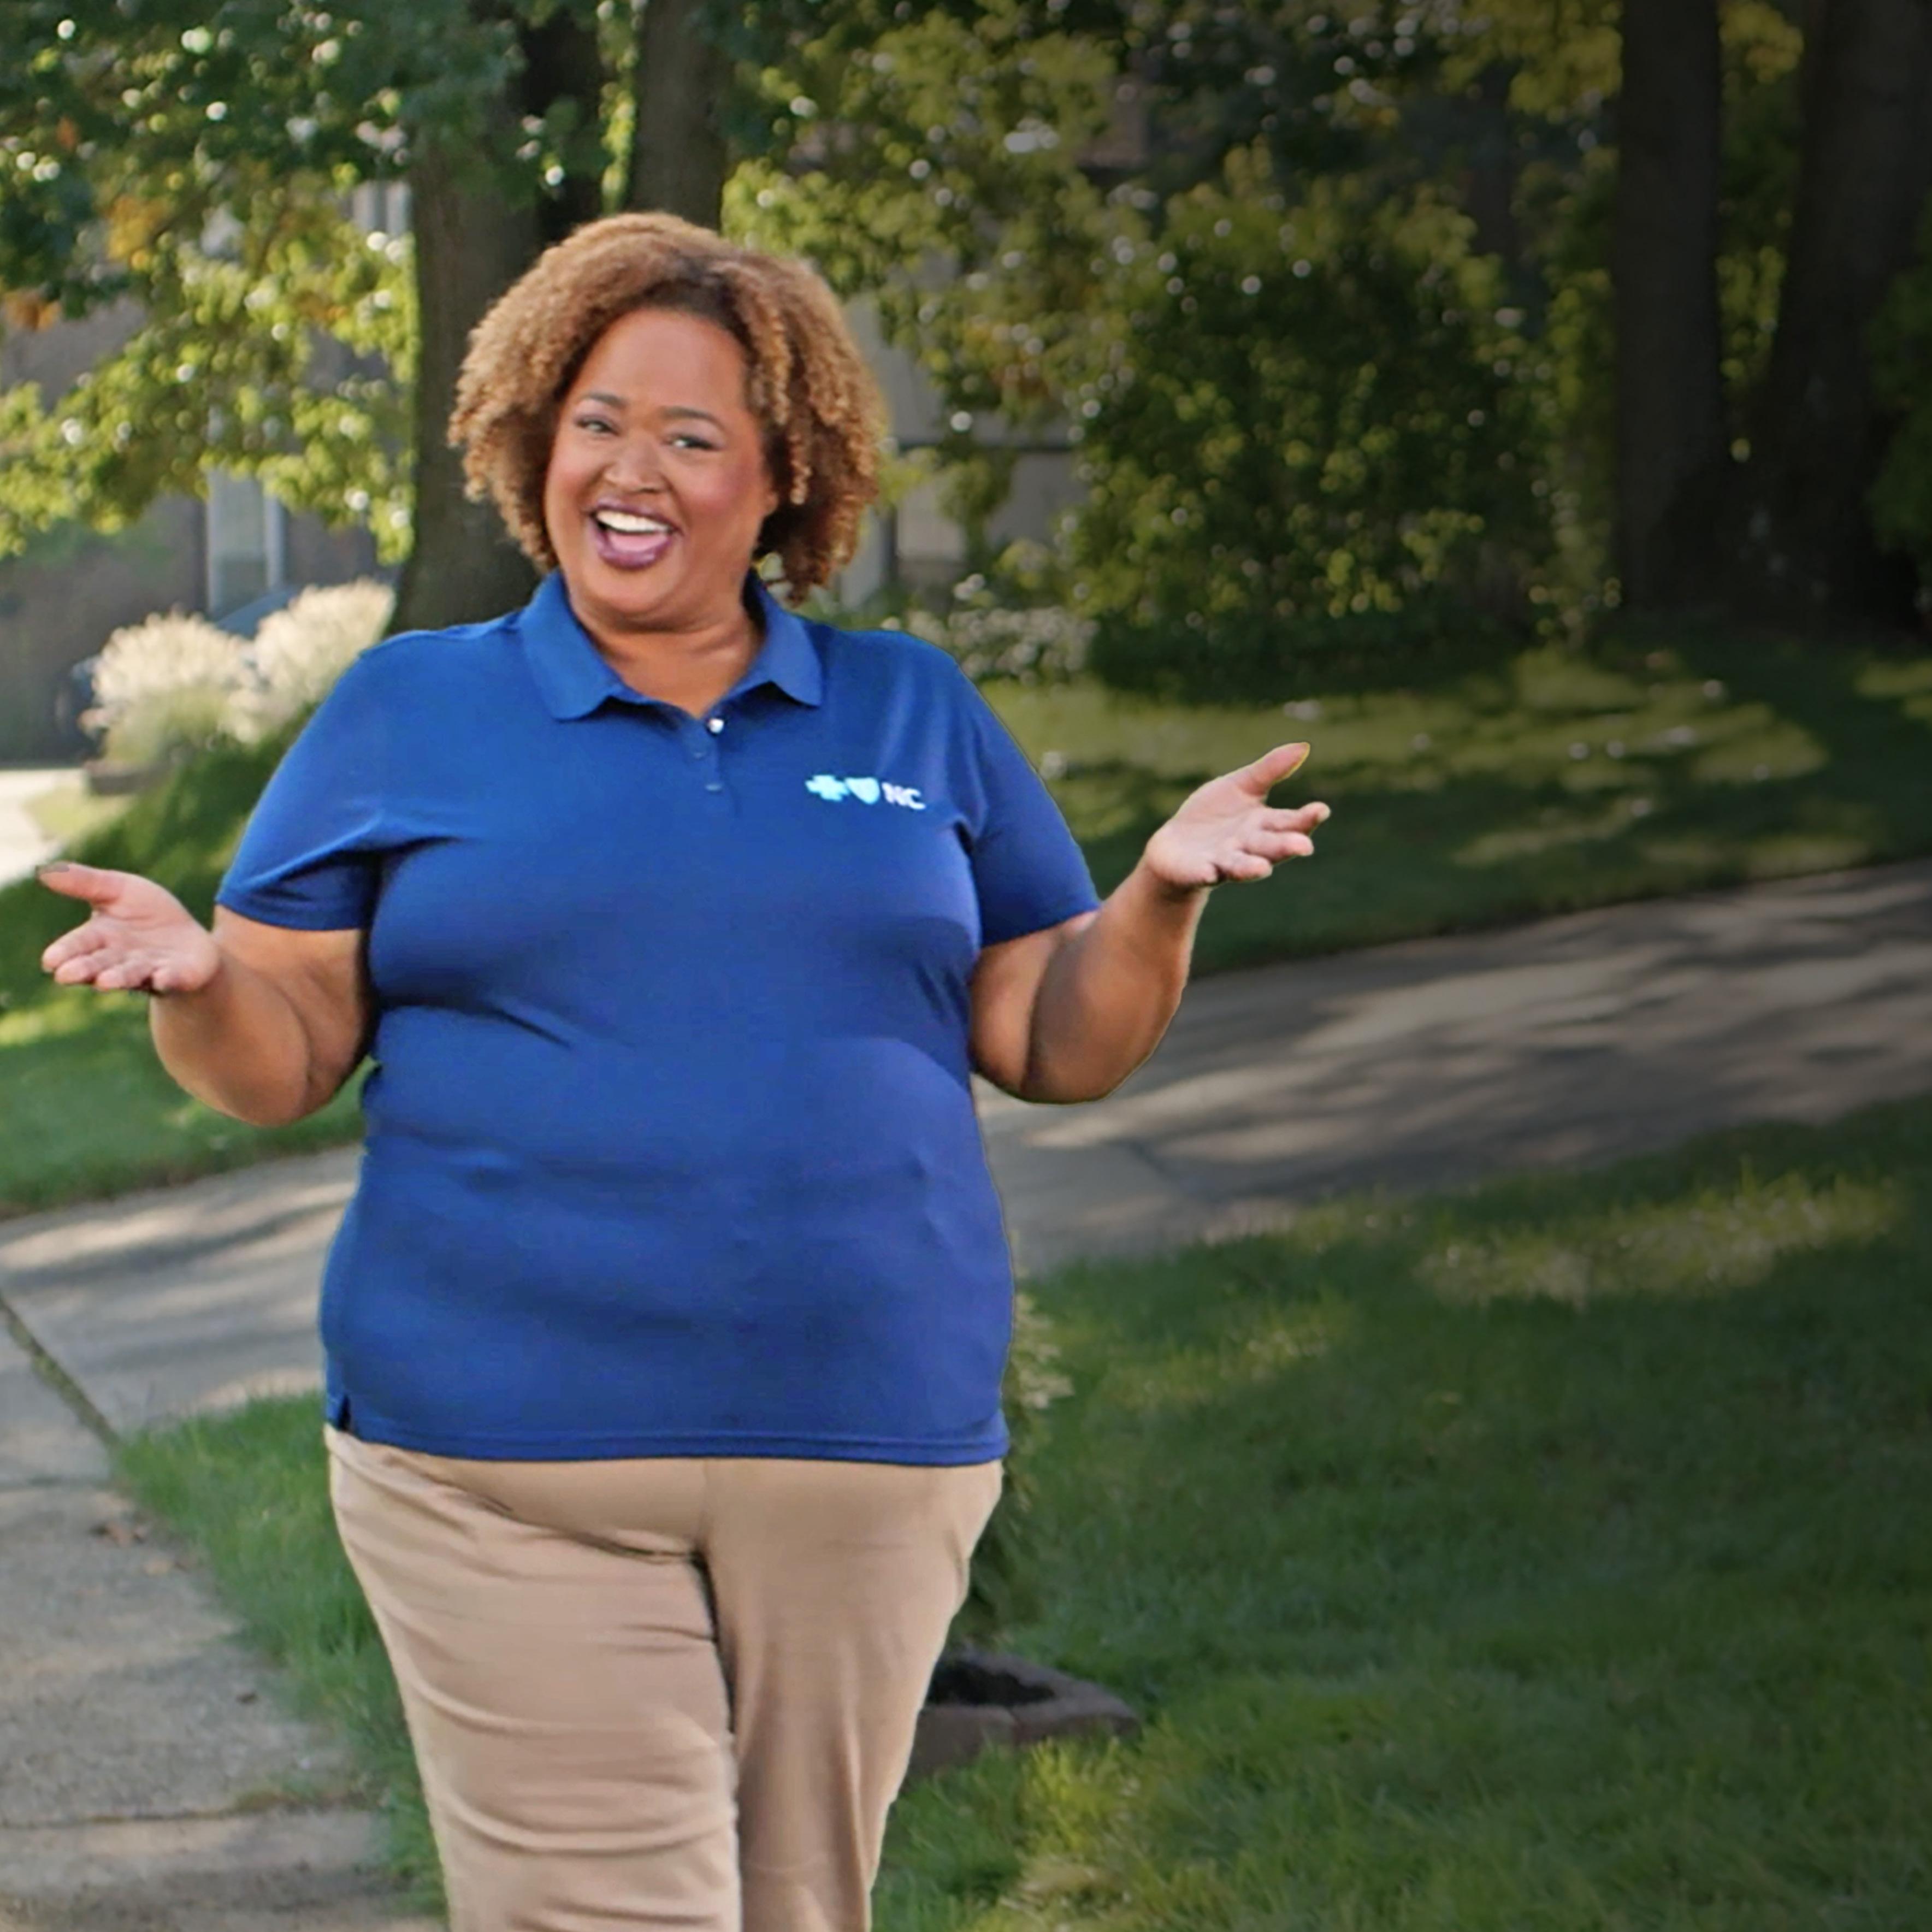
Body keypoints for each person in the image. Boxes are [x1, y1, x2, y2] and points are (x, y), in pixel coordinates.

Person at [38, 213, 1330, 1931]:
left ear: (783, 476)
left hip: (867, 1439)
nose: (628, 469)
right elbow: (279, 1056)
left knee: (802, 1904)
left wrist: (1155, 894)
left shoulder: (908, 709)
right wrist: (201, 980)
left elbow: (1050, 1037)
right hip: (500, 1456)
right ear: (534, 439)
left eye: (689, 435)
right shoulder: (410, 709)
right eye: (595, 421)